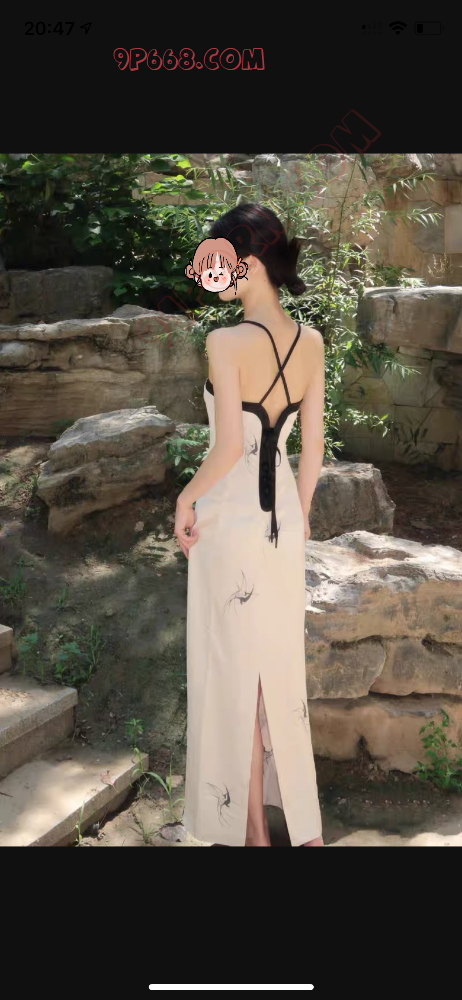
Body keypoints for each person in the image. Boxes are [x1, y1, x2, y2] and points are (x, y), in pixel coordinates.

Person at [174, 203, 325, 847]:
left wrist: (185, 499)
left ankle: (253, 835)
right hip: (283, 523)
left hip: (230, 523)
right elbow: (312, 449)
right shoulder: (311, 341)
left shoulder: (225, 342)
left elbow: (230, 448)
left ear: (251, 262)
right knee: (277, 673)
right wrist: (299, 517)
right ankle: (303, 834)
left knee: (233, 672)